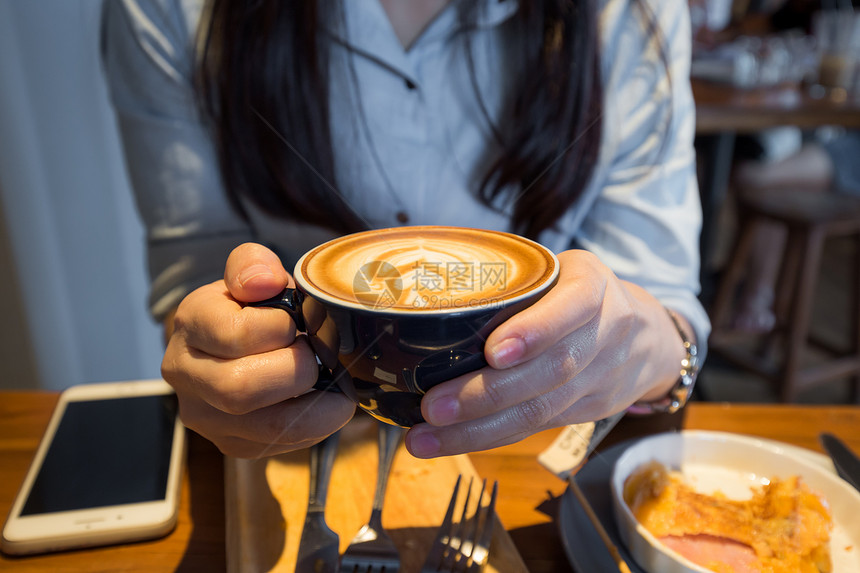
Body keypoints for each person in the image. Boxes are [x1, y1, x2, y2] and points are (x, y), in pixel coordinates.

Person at [100, 0, 711, 459]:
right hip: (294, 456)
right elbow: (197, 275)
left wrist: (641, 349)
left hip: (536, 450)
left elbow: (663, 301)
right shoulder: (169, 12)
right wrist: (222, 357)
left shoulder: (631, 13)